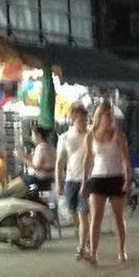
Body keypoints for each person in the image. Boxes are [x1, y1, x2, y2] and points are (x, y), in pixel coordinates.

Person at [84, 101, 131, 266]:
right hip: (97, 178)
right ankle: (93, 253)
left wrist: (127, 179)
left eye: (110, 116)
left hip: (116, 177)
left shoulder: (118, 135)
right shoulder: (91, 135)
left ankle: (122, 250)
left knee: (118, 217)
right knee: (96, 217)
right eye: (106, 116)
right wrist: (84, 182)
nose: (109, 119)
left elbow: (125, 159)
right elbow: (88, 159)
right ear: (99, 117)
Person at [56, 103, 91, 260]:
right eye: (80, 120)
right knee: (73, 212)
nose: (83, 123)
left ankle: (82, 246)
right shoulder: (64, 138)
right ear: (73, 120)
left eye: (85, 120)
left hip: (88, 180)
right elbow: (60, 161)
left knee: (83, 213)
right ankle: (83, 233)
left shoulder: (91, 136)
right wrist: (58, 182)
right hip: (71, 180)